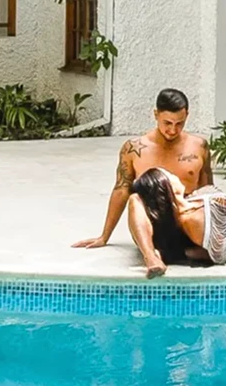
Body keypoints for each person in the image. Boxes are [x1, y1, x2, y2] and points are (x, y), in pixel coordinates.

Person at [71, 89, 212, 269]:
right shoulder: (134, 148)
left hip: (189, 224)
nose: (173, 130)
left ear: (187, 116)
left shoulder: (199, 146)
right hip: (154, 225)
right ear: (156, 114)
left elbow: (208, 191)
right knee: (135, 198)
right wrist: (104, 236)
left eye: (180, 123)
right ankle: (151, 258)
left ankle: (177, 253)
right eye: (167, 123)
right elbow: (121, 190)